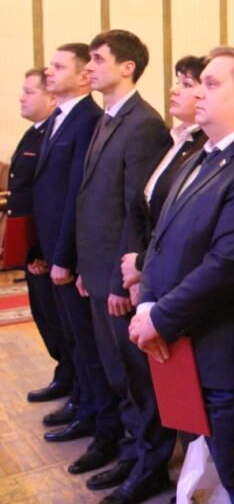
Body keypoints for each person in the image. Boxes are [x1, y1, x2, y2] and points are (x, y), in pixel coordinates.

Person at [129, 47, 234, 503]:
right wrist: (147, 300)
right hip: (187, 342)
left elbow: (230, 264)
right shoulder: (206, 151)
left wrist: (160, 316)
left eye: (211, 83)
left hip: (223, 352)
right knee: (215, 465)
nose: (198, 92)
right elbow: (163, 237)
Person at [75, 30, 173, 503]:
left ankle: (148, 464)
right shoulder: (109, 118)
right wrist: (85, 267)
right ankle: (131, 452)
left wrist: (120, 281)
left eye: (98, 59)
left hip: (118, 277)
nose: (89, 67)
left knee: (136, 378)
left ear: (127, 67)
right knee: (116, 372)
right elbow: (95, 200)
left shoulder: (144, 124)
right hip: (96, 269)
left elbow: (137, 212)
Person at [33, 44, 121, 479]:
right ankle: (85, 406)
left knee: (90, 348)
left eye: (58, 66)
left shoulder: (87, 120)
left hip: (71, 255)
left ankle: (103, 425)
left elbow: (76, 197)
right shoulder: (61, 118)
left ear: (83, 76)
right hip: (55, 251)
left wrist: (66, 257)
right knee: (74, 342)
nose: (49, 72)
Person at [119, 56, 209, 310]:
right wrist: (134, 269)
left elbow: (185, 227)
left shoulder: (206, 149)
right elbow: (140, 207)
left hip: (173, 279)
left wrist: (141, 266)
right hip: (146, 269)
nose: (174, 90)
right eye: (177, 82)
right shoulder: (174, 141)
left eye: (186, 84)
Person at [12, 69, 70, 408]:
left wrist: (41, 250)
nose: (22, 97)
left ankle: (72, 379)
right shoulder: (34, 134)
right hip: (32, 244)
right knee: (45, 316)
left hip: (45, 247)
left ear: (51, 98)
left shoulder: (53, 135)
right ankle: (64, 372)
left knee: (58, 320)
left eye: (29, 91)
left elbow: (52, 198)